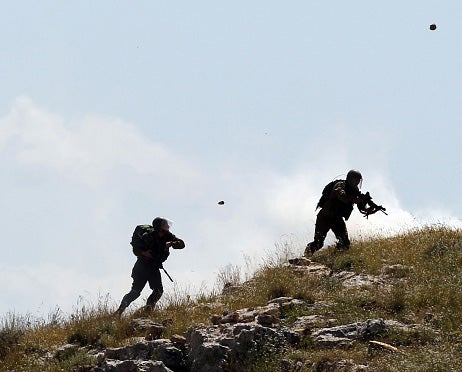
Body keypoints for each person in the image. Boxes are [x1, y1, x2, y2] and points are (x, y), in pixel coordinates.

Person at [114, 217, 185, 316]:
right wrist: (144, 253)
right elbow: (136, 250)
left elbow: (182, 244)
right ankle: (119, 312)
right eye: (165, 225)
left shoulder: (167, 236)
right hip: (142, 267)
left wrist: (172, 243)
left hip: (154, 268)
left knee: (158, 291)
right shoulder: (148, 236)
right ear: (159, 227)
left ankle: (148, 310)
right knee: (135, 292)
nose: (167, 226)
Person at [305, 170, 372, 256]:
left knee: (345, 243)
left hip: (337, 219)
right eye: (355, 180)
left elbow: (360, 205)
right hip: (325, 216)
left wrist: (366, 209)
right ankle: (306, 256)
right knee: (318, 243)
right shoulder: (340, 185)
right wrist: (353, 199)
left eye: (359, 180)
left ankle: (334, 258)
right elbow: (341, 195)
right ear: (350, 179)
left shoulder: (355, 191)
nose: (357, 182)